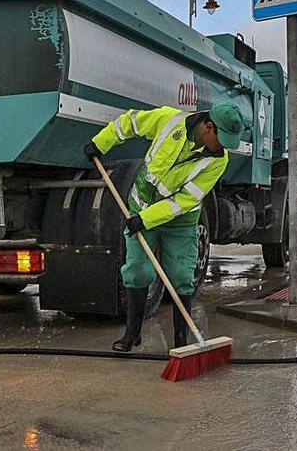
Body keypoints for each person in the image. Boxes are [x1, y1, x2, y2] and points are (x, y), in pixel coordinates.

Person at [84, 101, 244, 352]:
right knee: (137, 270)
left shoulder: (218, 161)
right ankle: (131, 335)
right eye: (222, 139)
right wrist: (101, 142)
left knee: (181, 277)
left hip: (179, 221)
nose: (223, 147)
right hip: (142, 206)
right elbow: (131, 122)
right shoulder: (170, 120)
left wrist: (146, 219)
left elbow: (185, 200)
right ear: (208, 127)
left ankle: (181, 344)